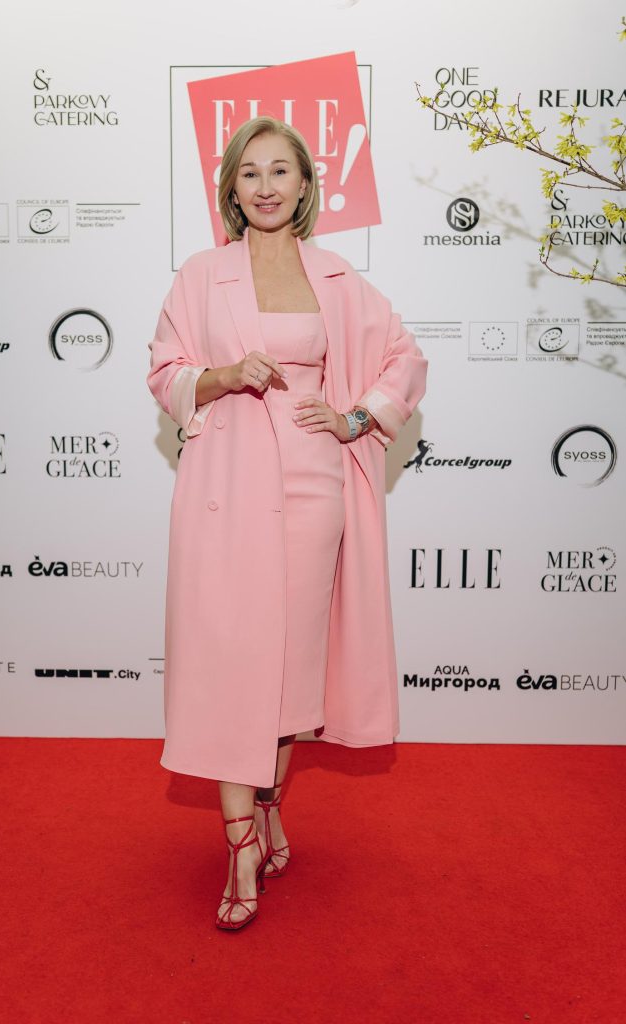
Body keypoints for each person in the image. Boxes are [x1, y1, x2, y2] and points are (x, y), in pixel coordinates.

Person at [147, 115, 427, 931]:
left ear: (305, 185)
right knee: (230, 657)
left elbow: (404, 358)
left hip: (311, 486)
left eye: (280, 171)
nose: (265, 186)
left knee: (287, 668)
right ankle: (240, 841)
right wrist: (224, 374)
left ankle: (266, 810)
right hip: (226, 482)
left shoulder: (336, 276)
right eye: (249, 172)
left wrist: (354, 418)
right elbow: (164, 372)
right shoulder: (201, 274)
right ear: (230, 189)